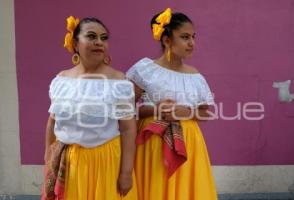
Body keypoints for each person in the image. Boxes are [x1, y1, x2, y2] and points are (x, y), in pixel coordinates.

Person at [41, 16, 138, 200]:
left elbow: (128, 129)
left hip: (107, 162)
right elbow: (52, 121)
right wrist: (48, 157)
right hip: (69, 165)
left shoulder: (119, 82)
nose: (99, 42)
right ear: (76, 43)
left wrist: (126, 172)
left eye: (104, 38)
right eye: (92, 36)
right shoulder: (61, 80)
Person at [126, 8, 218, 200]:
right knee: (155, 189)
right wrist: (155, 109)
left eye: (193, 37)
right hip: (152, 143)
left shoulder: (195, 76)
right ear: (167, 41)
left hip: (189, 143)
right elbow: (125, 110)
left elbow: (204, 113)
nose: (191, 43)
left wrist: (187, 111)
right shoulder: (145, 70)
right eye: (184, 37)